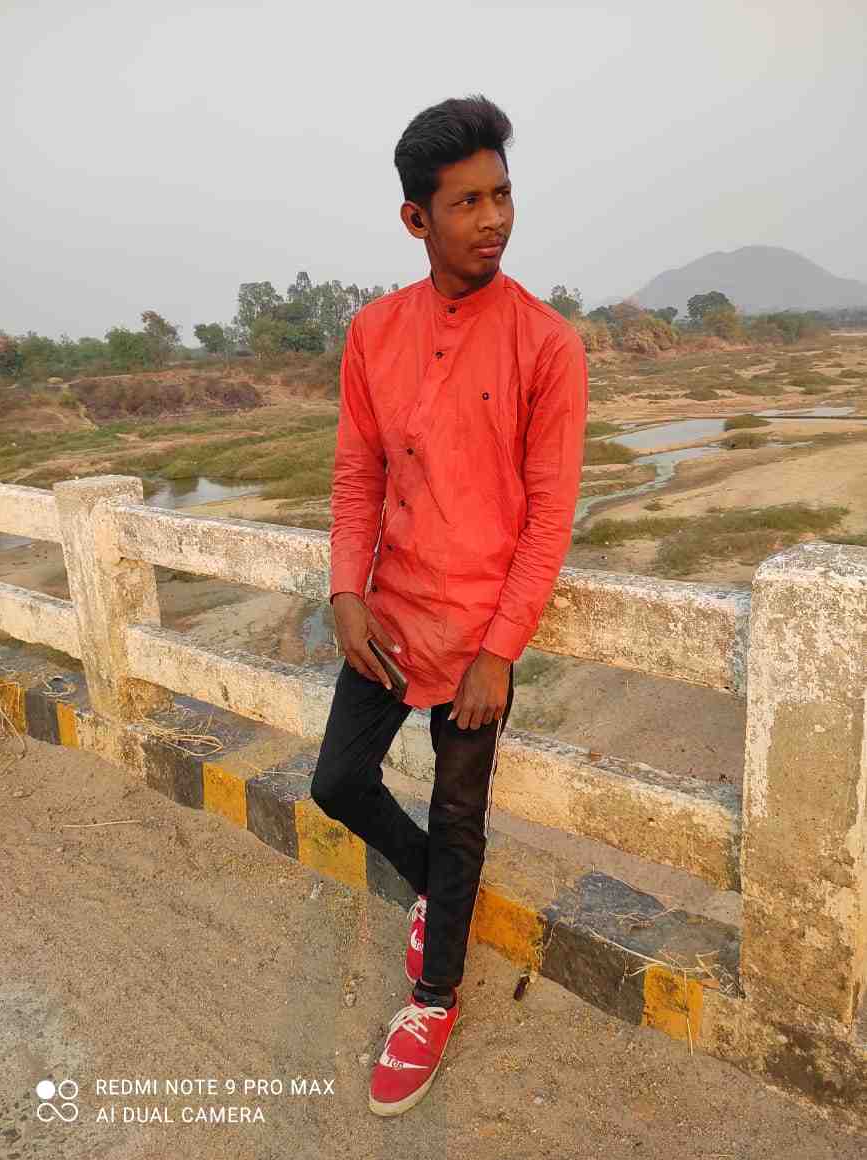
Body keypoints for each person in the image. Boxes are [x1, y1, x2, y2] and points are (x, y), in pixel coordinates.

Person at [311, 92, 588, 1117]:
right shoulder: (372, 332)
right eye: (466, 201)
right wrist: (346, 588)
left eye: (502, 194)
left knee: (460, 813)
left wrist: (501, 649)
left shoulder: (547, 344)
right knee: (337, 780)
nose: (494, 219)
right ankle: (439, 887)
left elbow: (549, 516)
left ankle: (433, 998)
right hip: (388, 617)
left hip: (478, 634)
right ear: (415, 218)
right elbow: (356, 475)